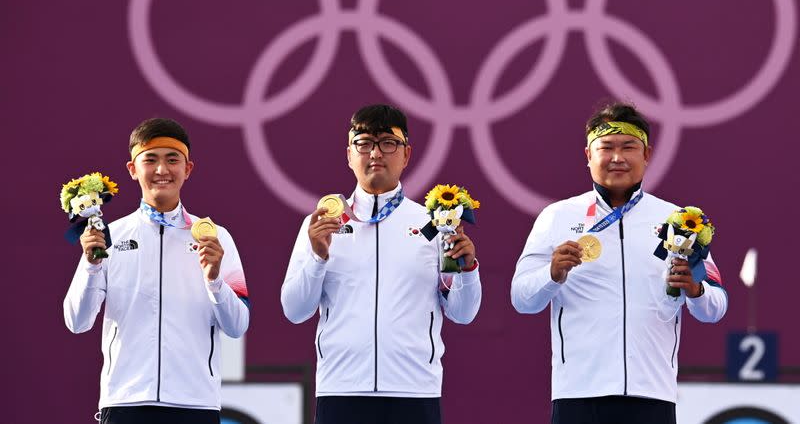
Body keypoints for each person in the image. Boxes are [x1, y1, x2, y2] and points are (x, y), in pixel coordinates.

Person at [511, 102, 727, 424]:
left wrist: (695, 291)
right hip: (578, 395)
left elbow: (716, 306)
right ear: (588, 155)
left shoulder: (680, 221)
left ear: (647, 154)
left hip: (653, 395)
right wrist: (551, 274)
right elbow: (521, 299)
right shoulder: (557, 217)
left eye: (629, 147)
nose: (617, 158)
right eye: (606, 147)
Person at [282, 104, 482, 424]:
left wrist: (468, 270)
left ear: (406, 154)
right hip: (341, 391)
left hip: (414, 392)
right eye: (364, 143)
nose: (375, 153)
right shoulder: (323, 223)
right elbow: (294, 310)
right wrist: (318, 257)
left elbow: (463, 312)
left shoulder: (434, 224)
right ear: (349, 154)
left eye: (388, 142)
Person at [64, 118, 250, 424]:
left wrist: (215, 280)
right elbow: (77, 321)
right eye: (150, 159)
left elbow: (237, 325)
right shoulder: (110, 236)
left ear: (187, 169)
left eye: (172, 160)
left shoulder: (215, 237)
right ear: (132, 169)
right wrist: (91, 264)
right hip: (125, 402)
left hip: (195, 404)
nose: (162, 170)